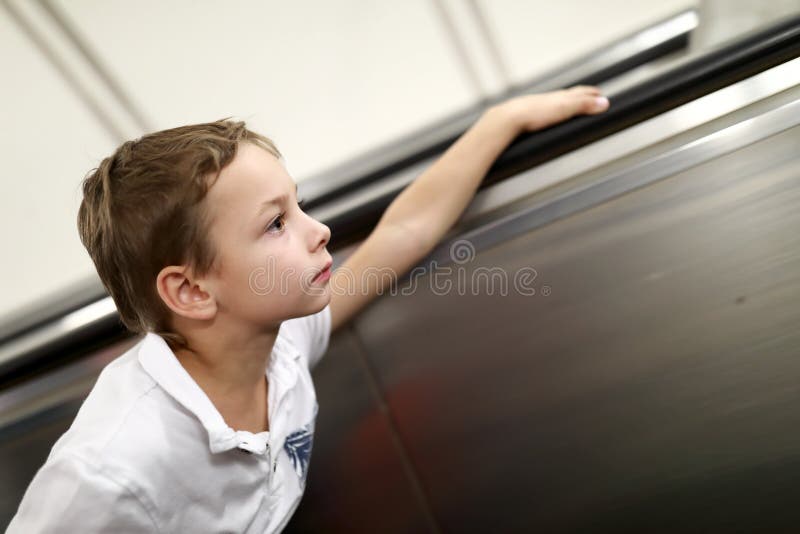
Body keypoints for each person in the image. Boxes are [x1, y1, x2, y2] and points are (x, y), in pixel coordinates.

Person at [7, 86, 609, 532]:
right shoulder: (111, 471)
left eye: (298, 206)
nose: (318, 231)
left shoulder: (280, 339)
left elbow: (405, 231)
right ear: (191, 292)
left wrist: (502, 120)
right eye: (275, 224)